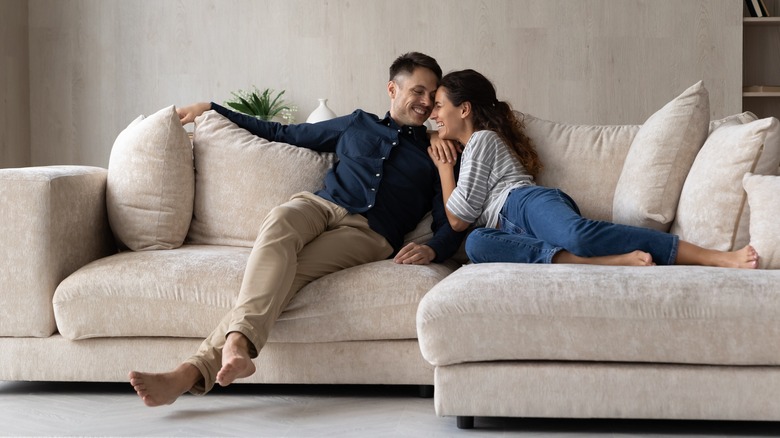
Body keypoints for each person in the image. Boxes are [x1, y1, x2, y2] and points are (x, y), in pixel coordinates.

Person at [129, 52, 466, 407]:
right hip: (320, 206)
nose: (426, 101)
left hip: (368, 233)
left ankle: (193, 370)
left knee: (287, 276)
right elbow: (282, 132)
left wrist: (434, 248)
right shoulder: (357, 124)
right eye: (417, 91)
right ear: (392, 90)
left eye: (432, 95)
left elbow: (451, 218)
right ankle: (232, 347)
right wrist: (212, 108)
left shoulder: (437, 153)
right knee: (280, 220)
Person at [427, 69, 759, 269]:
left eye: (439, 106)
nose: (434, 114)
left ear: (464, 109)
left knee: (577, 236)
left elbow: (458, 219)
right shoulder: (468, 150)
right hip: (509, 230)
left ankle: (713, 257)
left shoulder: (482, 140)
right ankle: (597, 262)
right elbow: (463, 223)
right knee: (476, 244)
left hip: (525, 204)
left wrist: (444, 168)